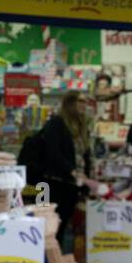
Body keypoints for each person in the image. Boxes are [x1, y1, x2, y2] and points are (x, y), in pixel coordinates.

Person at [35, 92, 93, 247]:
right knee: (49, 229)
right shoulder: (57, 123)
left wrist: (86, 186)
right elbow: (52, 152)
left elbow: (85, 156)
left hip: (71, 186)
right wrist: (72, 171)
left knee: (61, 228)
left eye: (85, 102)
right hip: (52, 184)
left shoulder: (81, 127)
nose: (83, 105)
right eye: (80, 101)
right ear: (70, 103)